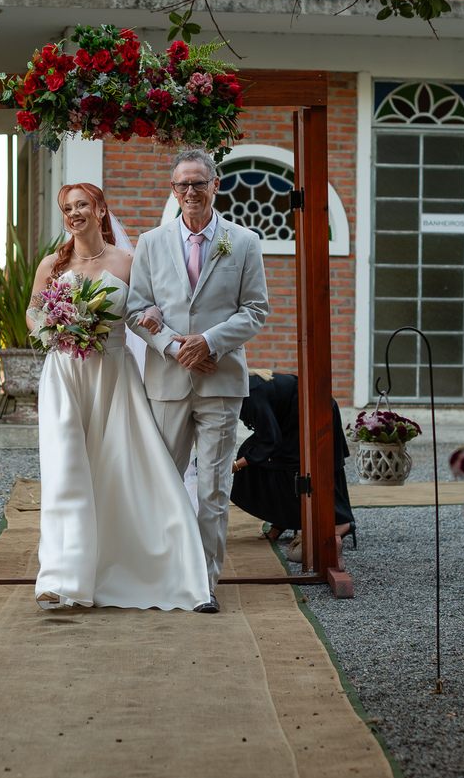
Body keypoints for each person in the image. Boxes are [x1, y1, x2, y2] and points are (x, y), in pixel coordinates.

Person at [28, 182, 210, 611]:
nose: (74, 214)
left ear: (101, 209)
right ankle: (62, 576)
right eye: (67, 208)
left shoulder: (128, 261)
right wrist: (54, 329)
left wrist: (167, 333)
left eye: (82, 206)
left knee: (120, 466)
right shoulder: (53, 265)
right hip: (66, 376)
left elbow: (148, 312)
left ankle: (145, 562)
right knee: (66, 470)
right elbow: (34, 313)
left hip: (113, 373)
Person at [127, 150, 270, 613]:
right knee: (165, 483)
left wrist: (207, 343)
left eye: (197, 184)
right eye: (181, 185)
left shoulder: (244, 241)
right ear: (173, 190)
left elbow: (255, 311)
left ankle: (204, 584)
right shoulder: (150, 243)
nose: (190, 192)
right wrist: (177, 348)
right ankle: (165, 575)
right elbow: (135, 311)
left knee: (212, 487)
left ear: (215, 184)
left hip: (221, 384)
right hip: (167, 382)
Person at [229, 370, 356, 547]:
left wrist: (236, 465)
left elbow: (270, 441)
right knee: (254, 453)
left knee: (297, 464)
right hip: (291, 416)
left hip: (314, 411)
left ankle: (342, 521)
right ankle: (282, 518)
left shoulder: (250, 395)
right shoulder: (238, 387)